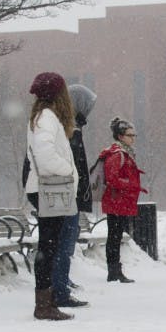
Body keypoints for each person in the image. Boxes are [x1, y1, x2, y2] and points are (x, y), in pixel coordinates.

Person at [24, 72, 78, 321]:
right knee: (49, 246)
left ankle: (46, 300)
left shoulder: (41, 116)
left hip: (45, 188)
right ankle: (44, 304)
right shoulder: (47, 118)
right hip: (50, 188)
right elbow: (45, 155)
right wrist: (68, 171)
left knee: (50, 245)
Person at [51, 84, 96, 309]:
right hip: (67, 195)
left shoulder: (71, 126)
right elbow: (72, 164)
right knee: (63, 244)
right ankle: (59, 289)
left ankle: (61, 283)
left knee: (66, 244)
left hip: (69, 195)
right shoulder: (67, 128)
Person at [98, 117, 147, 284]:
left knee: (116, 235)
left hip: (119, 201)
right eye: (129, 135)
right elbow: (112, 178)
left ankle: (115, 271)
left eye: (134, 135)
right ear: (120, 136)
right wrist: (131, 184)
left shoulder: (123, 153)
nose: (133, 138)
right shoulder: (118, 154)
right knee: (114, 236)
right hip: (116, 201)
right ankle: (113, 271)